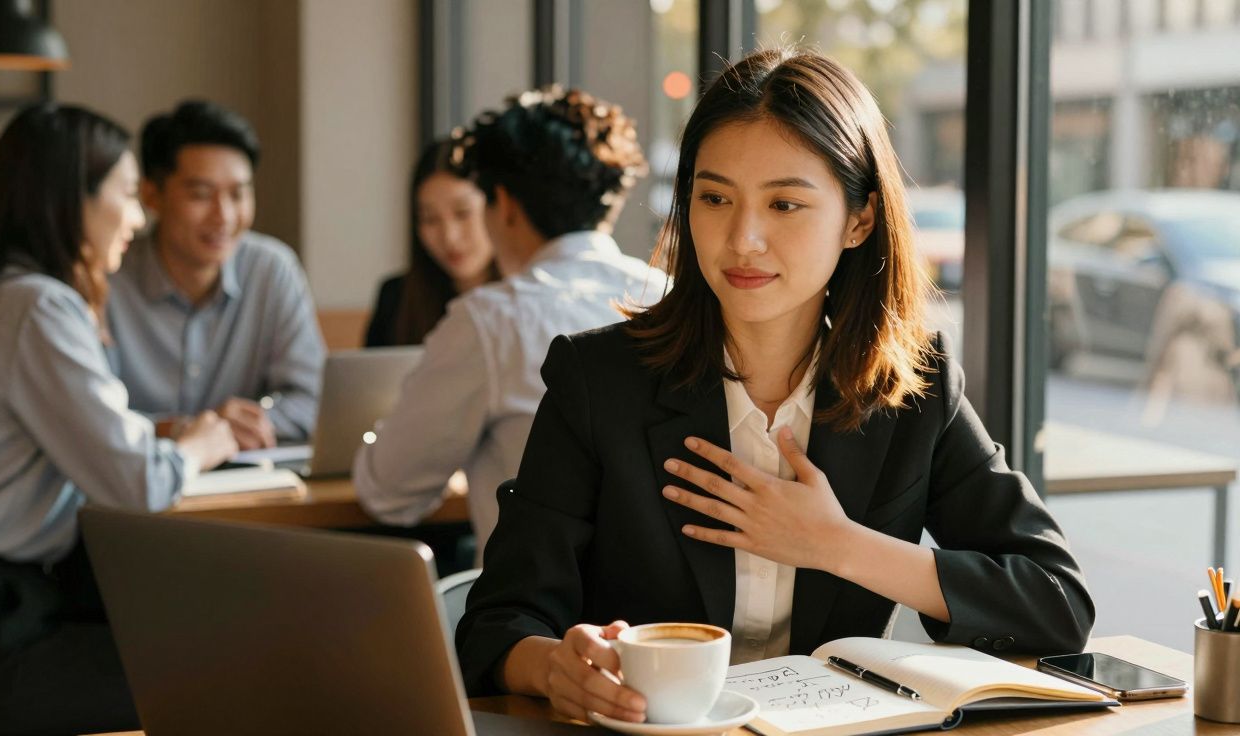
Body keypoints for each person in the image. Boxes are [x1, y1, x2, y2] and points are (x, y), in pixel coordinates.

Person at [456, 48, 1095, 724]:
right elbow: (499, 622)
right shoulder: (597, 382)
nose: (743, 239)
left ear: (859, 219)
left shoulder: (915, 391)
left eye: (785, 203)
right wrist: (556, 666)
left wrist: (838, 545)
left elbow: (1056, 602)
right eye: (714, 198)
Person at [0, 104, 237, 735]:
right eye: (126, 195)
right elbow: (137, 484)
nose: (137, 217)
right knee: (217, 675)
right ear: (73, 202)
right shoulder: (38, 307)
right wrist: (202, 444)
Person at [353, 87, 669, 559]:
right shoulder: (670, 296)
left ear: (504, 204)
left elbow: (388, 491)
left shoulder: (491, 321)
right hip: (672, 624)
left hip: (537, 616)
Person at [107, 99, 325, 450]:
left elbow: (313, 399)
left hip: (250, 488)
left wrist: (249, 422)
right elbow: (93, 420)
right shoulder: (109, 279)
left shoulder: (272, 270)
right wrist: (185, 430)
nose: (223, 216)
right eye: (201, 194)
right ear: (152, 195)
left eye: (238, 194)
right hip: (135, 492)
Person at [364, 139, 498, 347]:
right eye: (429, 218)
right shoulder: (396, 298)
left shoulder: (532, 297)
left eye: (462, 214)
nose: (449, 236)